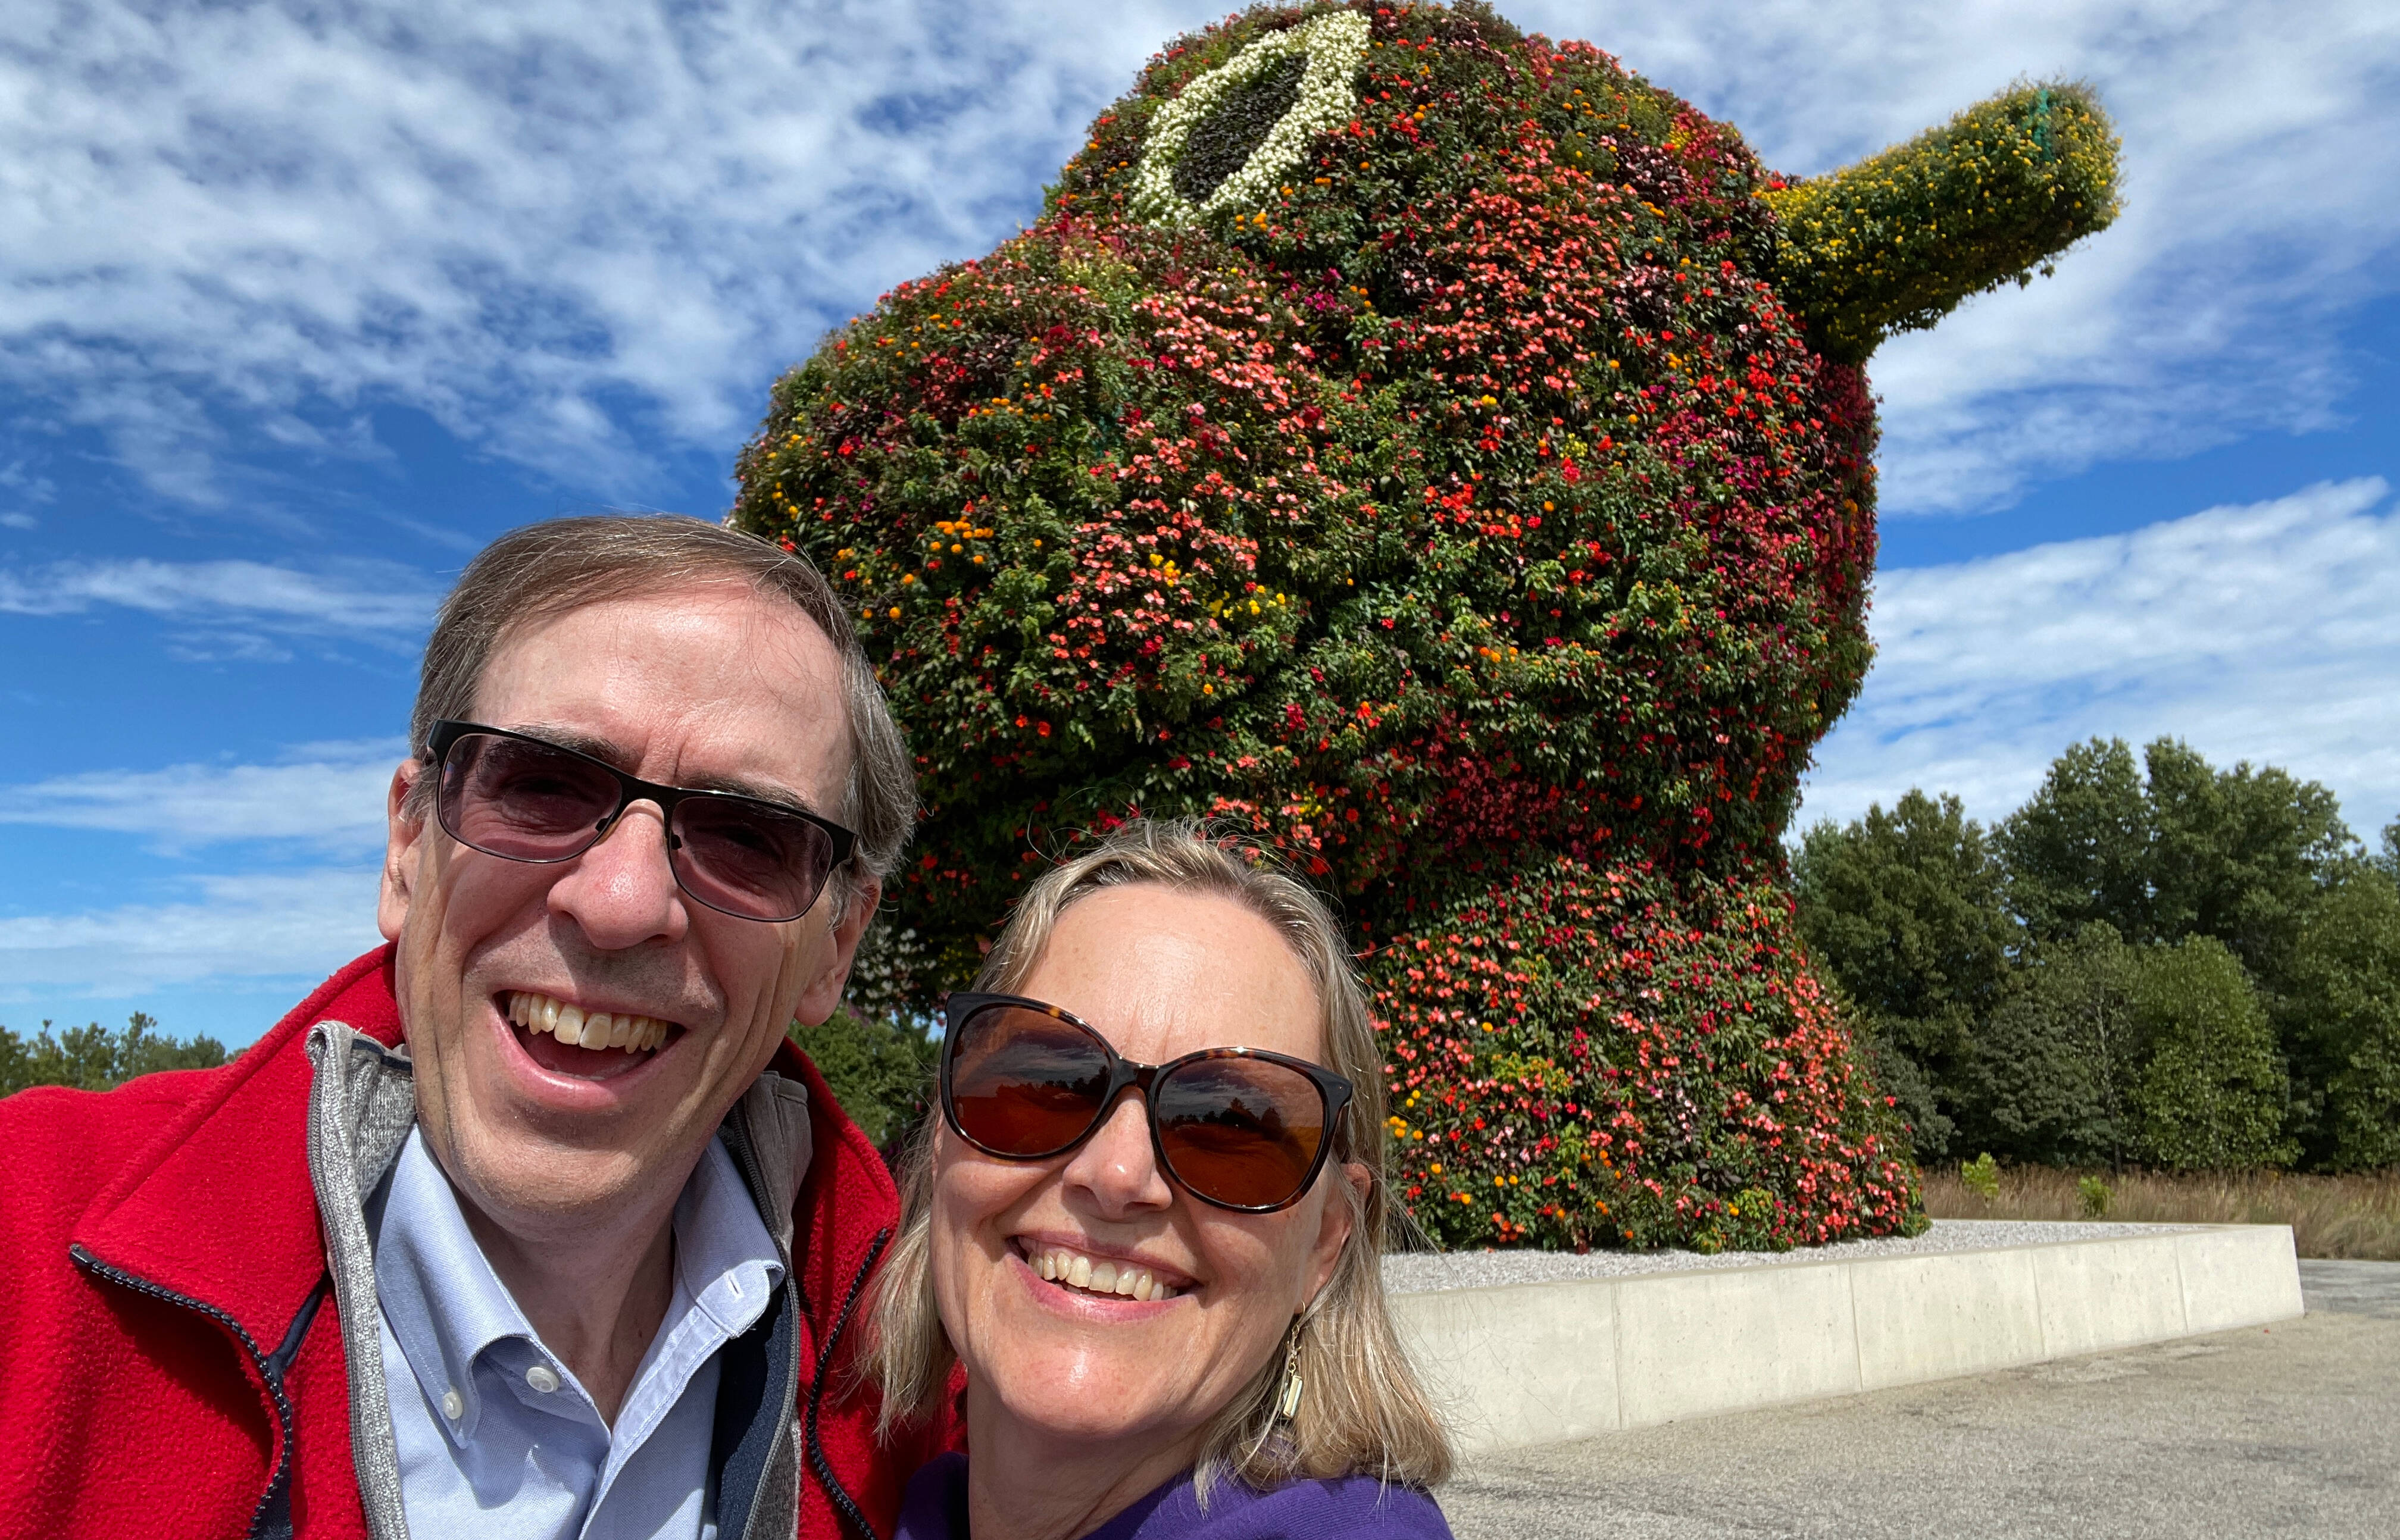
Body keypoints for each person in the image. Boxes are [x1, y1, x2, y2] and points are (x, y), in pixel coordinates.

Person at [0, 515, 960, 1539]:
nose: (622, 901)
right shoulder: (31, 1248)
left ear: (835, 945)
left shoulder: (930, 1381)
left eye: (747, 836)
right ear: (409, 847)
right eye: (542, 784)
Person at [869, 819, 1454, 1540]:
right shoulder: (906, 1507)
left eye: (1229, 1123)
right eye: (1044, 1080)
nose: (1116, 1175)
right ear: (942, 1143)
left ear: (1326, 1240)